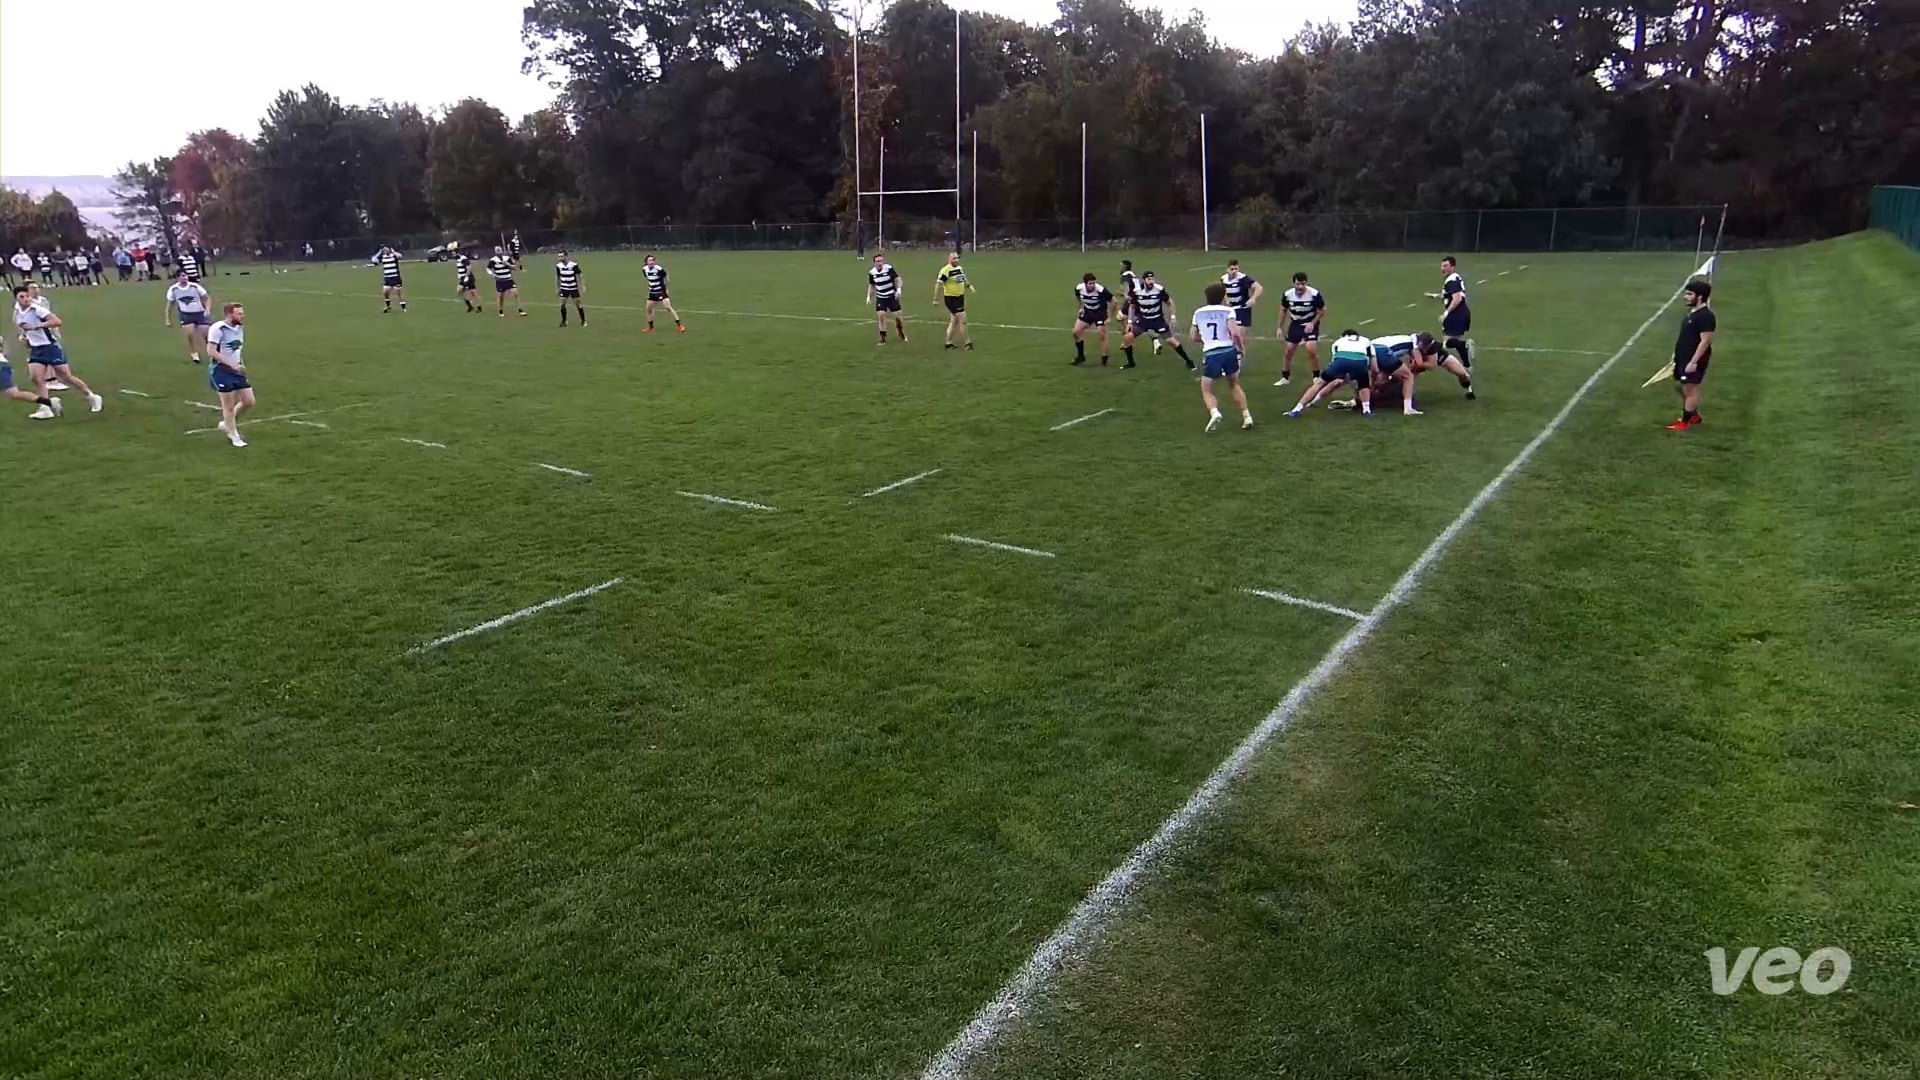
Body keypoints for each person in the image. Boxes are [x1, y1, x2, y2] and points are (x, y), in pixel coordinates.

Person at [12, 284, 102, 417]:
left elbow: (57, 321)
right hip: (36, 348)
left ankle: (92, 396)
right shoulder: (17, 311)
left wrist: (37, 326)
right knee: (36, 378)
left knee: (66, 377)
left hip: (50, 346)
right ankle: (45, 408)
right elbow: (22, 326)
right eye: (22, 296)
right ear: (16, 299)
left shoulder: (37, 310)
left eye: (27, 296)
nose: (26, 298)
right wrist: (23, 336)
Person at [1192, 282, 1253, 432]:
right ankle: (1247, 416)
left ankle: (1214, 412)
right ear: (1222, 296)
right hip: (1228, 351)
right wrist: (1241, 348)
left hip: (1211, 354)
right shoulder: (1228, 311)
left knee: (1206, 389)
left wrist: (1207, 340)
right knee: (1234, 384)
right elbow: (1235, 333)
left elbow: (1193, 337)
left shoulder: (1198, 313)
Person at [1666, 279, 1715, 430]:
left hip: (1694, 359)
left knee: (1689, 388)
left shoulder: (1706, 316)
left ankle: (1685, 422)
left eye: (1689, 294)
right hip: (1683, 357)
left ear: (1699, 297)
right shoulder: (1692, 313)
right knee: (1678, 385)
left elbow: (1705, 341)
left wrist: (1694, 362)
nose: (1685, 297)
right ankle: (1692, 414)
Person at [1121, 271, 1193, 370]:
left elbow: (1169, 302)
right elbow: (1132, 306)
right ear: (1144, 280)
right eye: (1149, 279)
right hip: (1143, 320)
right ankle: (1131, 363)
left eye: (1153, 279)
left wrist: (1172, 316)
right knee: (1128, 337)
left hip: (1158, 320)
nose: (1151, 281)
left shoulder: (1159, 289)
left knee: (1171, 341)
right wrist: (1129, 321)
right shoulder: (1137, 291)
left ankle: (1188, 361)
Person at [207, 302, 254, 447]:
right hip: (221, 370)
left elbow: (237, 349)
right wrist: (230, 364)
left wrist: (240, 362)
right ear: (229, 314)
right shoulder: (218, 328)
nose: (242, 315)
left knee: (249, 402)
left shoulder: (239, 327)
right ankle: (234, 435)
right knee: (227, 406)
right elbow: (211, 351)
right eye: (239, 313)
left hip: (236, 370)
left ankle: (226, 424)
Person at [1276, 271, 1325, 386]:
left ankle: (1316, 377)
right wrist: (1279, 327)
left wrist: (1312, 323)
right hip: (1296, 324)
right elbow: (1283, 310)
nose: (1300, 287)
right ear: (1293, 284)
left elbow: (1322, 310)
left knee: (1310, 349)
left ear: (1306, 283)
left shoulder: (1314, 294)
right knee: (1288, 351)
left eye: (1303, 284)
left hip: (1310, 323)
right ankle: (1285, 377)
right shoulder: (1288, 294)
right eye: (1298, 284)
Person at [1, 334, 58, 418]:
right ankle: (49, 402)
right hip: (3, 366)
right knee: (14, 394)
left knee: (14, 394)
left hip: (1, 367)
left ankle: (49, 403)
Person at [1434, 256, 1476, 370]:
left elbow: (1457, 298)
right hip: (1463, 313)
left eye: (1446, 266)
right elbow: (1453, 295)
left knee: (1446, 344)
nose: (1443, 268)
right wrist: (1437, 296)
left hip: (1456, 315)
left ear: (1453, 267)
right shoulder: (1456, 277)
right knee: (1454, 341)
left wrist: (1446, 313)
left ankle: (1465, 344)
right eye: (1442, 266)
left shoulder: (1451, 281)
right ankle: (1467, 365)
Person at [165, 270, 213, 364]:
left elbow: (207, 298)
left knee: (207, 336)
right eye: (182, 276)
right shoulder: (173, 289)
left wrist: (207, 310)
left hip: (200, 313)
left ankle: (212, 353)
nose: (185, 277)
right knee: (190, 335)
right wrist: (168, 319)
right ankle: (194, 354)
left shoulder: (195, 286)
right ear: (178, 277)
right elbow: (169, 305)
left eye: (186, 275)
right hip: (185, 315)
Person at [1070, 272, 1115, 366]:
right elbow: (1078, 298)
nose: (1092, 285)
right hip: (1088, 312)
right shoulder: (1079, 288)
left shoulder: (1101, 290)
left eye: (1093, 283)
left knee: (1102, 335)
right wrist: (1080, 308)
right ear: (1085, 284)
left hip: (1100, 313)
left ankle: (1104, 359)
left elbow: (1113, 301)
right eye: (1090, 283)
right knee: (1076, 332)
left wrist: (1109, 317)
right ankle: (1081, 356)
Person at [933, 251, 974, 351]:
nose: (956, 260)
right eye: (954, 258)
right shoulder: (945, 270)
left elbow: (963, 279)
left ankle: (948, 343)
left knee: (954, 321)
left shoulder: (959, 269)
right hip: (951, 299)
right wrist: (935, 299)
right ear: (949, 259)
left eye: (957, 258)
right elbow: (938, 284)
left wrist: (969, 285)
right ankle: (967, 343)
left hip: (960, 297)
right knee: (963, 320)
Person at [1221, 259, 1262, 356]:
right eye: (1232, 269)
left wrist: (1253, 298)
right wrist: (1226, 299)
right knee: (1229, 334)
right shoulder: (1223, 279)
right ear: (1227, 269)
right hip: (1230, 309)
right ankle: (1232, 353)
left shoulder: (1242, 278)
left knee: (1238, 333)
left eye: (1236, 268)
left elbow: (1259, 287)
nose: (1234, 271)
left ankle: (1238, 357)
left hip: (1242, 308)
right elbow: (1223, 289)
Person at [866, 252, 906, 343]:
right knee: (881, 315)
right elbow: (871, 285)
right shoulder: (872, 273)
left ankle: (900, 332)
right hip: (881, 297)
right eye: (877, 261)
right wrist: (868, 296)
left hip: (892, 296)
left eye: (881, 261)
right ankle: (883, 338)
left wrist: (899, 289)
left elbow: (898, 279)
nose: (880, 263)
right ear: (874, 263)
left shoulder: (888, 269)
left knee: (898, 317)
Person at [642, 255, 681, 332]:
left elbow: (666, 277)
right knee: (648, 309)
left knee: (668, 307)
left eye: (653, 260)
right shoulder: (644, 269)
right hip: (652, 292)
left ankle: (680, 326)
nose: (652, 262)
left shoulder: (659, 269)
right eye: (650, 260)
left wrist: (665, 287)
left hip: (661, 291)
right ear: (646, 262)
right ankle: (651, 327)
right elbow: (649, 279)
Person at [486, 246, 525, 317]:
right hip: (500, 281)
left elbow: (514, 268)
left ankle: (520, 310)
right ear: (495, 252)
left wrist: (508, 264)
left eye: (500, 251)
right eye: (497, 251)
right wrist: (492, 274)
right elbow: (488, 268)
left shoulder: (507, 258)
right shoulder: (493, 260)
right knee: (501, 297)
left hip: (509, 279)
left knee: (515, 294)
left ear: (502, 251)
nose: (499, 252)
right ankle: (501, 311)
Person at [555, 250, 586, 326]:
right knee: (562, 305)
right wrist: (557, 288)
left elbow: (580, 275)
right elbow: (558, 278)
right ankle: (564, 321)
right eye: (559, 256)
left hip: (573, 288)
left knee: (578, 305)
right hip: (564, 288)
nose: (560, 258)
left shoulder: (573, 265)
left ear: (566, 256)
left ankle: (583, 321)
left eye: (562, 256)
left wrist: (583, 286)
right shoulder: (558, 266)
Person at [375, 244, 406, 312]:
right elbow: (374, 260)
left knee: (398, 293)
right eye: (383, 250)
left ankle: (403, 308)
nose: (385, 251)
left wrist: (394, 251)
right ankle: (388, 306)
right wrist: (379, 252)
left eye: (386, 249)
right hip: (387, 278)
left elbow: (400, 256)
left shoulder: (394, 256)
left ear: (389, 249)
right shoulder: (383, 257)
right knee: (385, 293)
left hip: (395, 277)